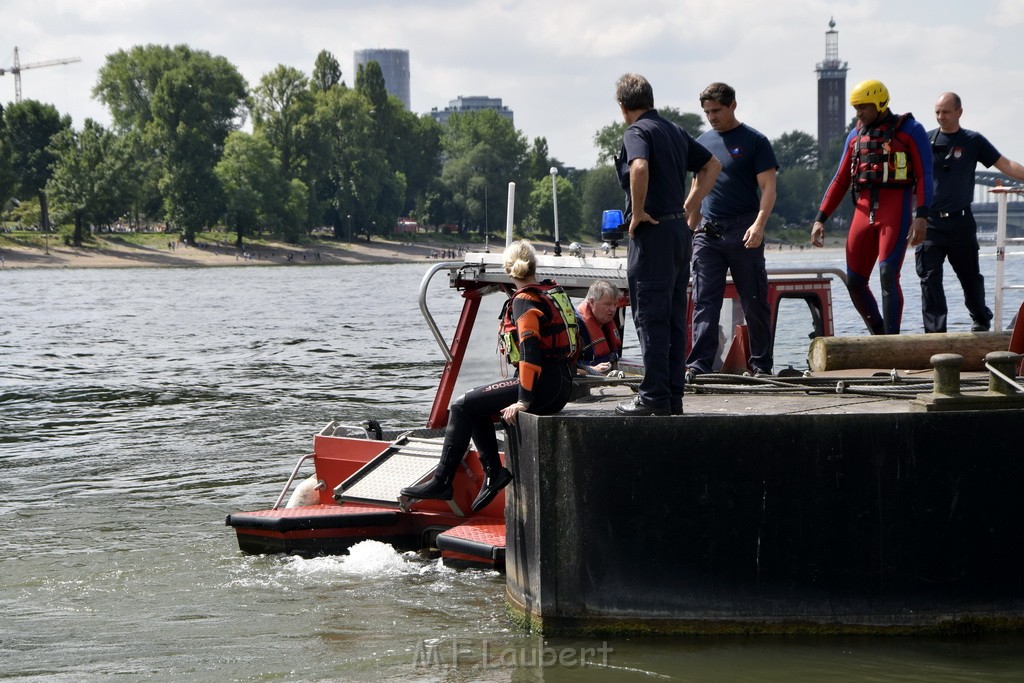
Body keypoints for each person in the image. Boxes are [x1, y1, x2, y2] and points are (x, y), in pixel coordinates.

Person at [400, 240, 577, 512]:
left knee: (460, 405)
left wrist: (523, 401)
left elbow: (530, 353)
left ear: (508, 270)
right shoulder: (550, 291)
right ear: (534, 266)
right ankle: (494, 473)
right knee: (475, 405)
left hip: (542, 390)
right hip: (560, 386)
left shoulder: (524, 301)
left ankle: (442, 481)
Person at [613, 73, 721, 416]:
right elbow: (711, 165)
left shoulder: (637, 131)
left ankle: (652, 397)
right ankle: (672, 396)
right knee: (673, 318)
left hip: (653, 234)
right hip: (678, 234)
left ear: (622, 106)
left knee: (650, 318)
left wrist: (638, 211)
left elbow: (640, 167)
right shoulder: (673, 130)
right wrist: (690, 205)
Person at [811, 79, 933, 335]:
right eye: (856, 108)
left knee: (888, 273)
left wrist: (921, 216)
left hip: (895, 207)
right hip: (863, 209)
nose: (859, 113)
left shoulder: (910, 130)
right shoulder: (855, 136)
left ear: (880, 103)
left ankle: (892, 340)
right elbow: (840, 179)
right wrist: (820, 218)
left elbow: (924, 175)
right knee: (854, 280)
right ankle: (879, 334)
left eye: (864, 107)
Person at [685, 82, 778, 378]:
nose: (711, 116)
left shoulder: (755, 141)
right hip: (707, 233)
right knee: (704, 302)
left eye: (716, 110)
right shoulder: (701, 143)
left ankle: (761, 364)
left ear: (732, 105)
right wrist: (687, 231)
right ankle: (699, 363)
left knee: (753, 301)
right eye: (707, 112)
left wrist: (759, 224)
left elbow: (768, 187)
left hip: (744, 229)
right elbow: (697, 189)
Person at [916, 92, 1024, 333]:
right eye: (937, 112)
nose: (940, 117)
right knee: (929, 278)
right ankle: (935, 334)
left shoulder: (973, 141)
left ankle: (980, 318)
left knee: (970, 278)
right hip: (931, 223)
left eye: (945, 112)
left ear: (959, 112)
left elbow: (1005, 165)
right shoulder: (924, 142)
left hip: (961, 222)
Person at [576, 280, 623, 376]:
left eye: (615, 304)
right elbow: (564, 367)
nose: (613, 309)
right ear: (592, 302)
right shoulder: (575, 326)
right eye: (607, 304)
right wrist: (592, 370)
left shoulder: (607, 323)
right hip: (588, 380)